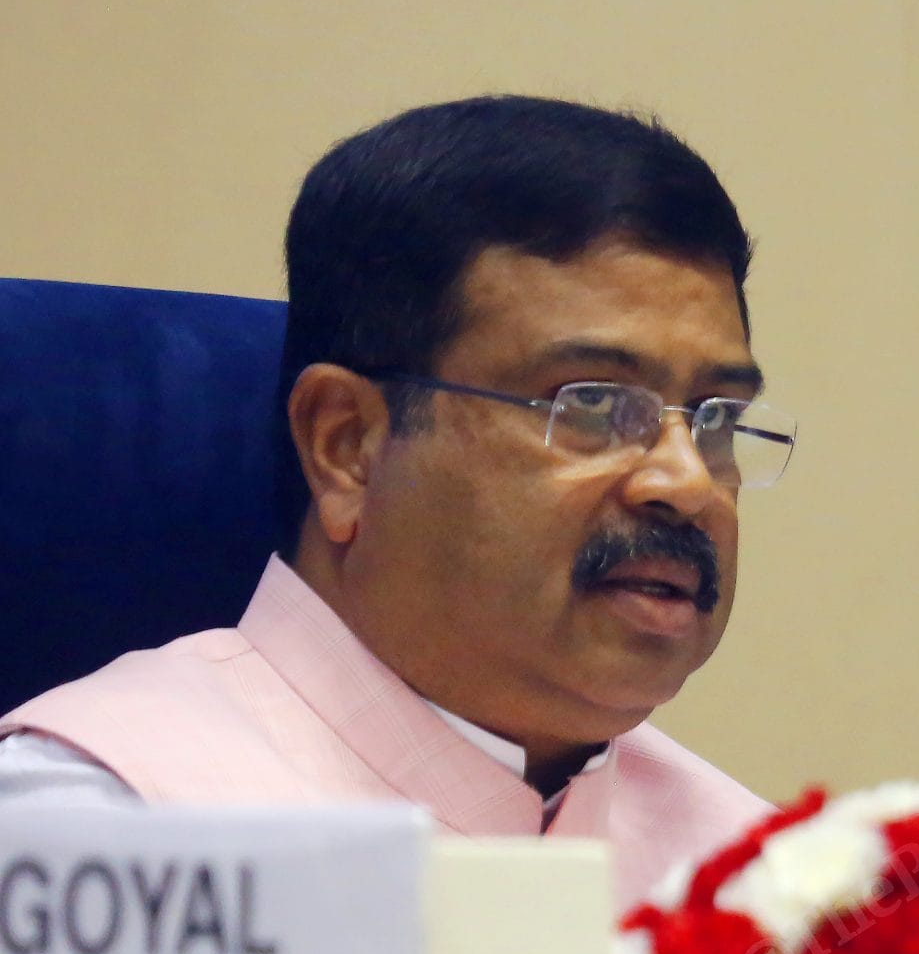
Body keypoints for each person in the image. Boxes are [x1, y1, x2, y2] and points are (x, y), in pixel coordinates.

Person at [0, 95, 787, 908]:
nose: (688, 481)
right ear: (347, 445)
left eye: (718, 418)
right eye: (591, 406)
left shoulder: (778, 892)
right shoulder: (95, 843)